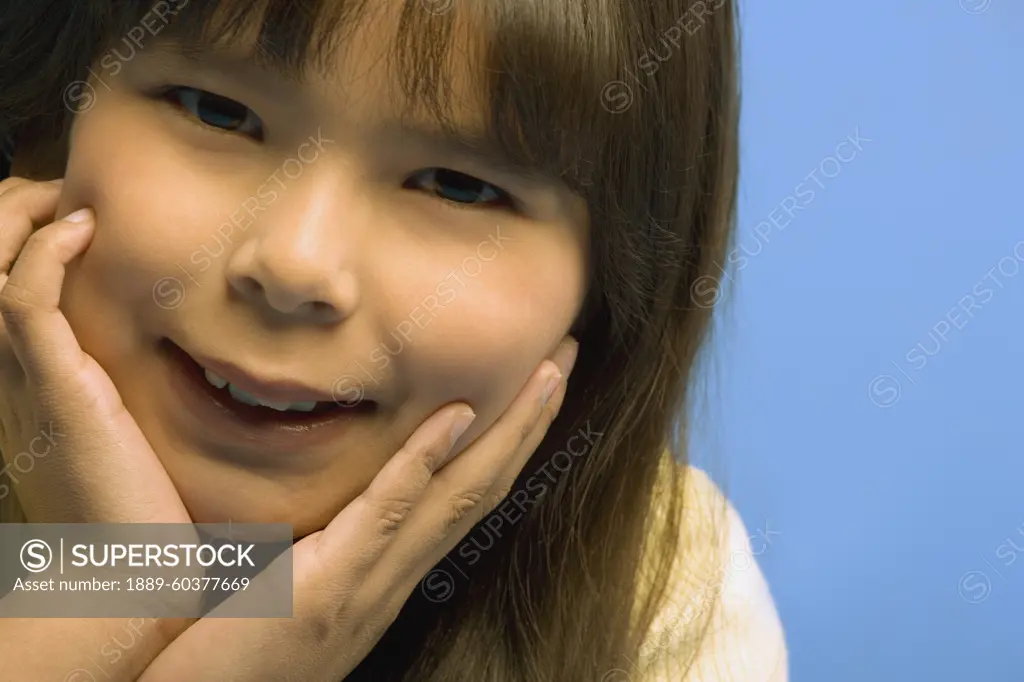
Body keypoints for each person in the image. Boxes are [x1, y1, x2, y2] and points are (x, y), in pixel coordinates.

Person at [0, 0, 787, 679]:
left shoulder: (661, 587)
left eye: (458, 186)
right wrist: (112, 593)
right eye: (218, 111)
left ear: (602, 293)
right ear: (48, 128)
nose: (295, 265)